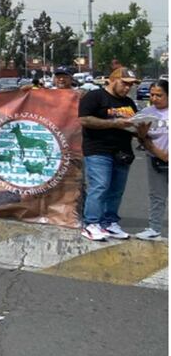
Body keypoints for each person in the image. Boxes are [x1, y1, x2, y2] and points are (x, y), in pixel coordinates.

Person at [78, 67, 140, 241]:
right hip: (98, 149)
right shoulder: (95, 97)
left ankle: (109, 222)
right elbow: (84, 119)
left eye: (131, 85)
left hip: (122, 151)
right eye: (125, 84)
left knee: (116, 190)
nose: (128, 88)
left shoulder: (129, 102)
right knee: (100, 186)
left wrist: (141, 128)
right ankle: (91, 223)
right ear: (112, 80)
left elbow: (133, 125)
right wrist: (114, 123)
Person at [134, 79, 168, 240]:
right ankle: (154, 229)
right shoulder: (146, 113)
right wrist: (142, 135)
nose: (154, 98)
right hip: (156, 160)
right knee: (157, 196)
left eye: (159, 95)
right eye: (152, 95)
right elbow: (141, 139)